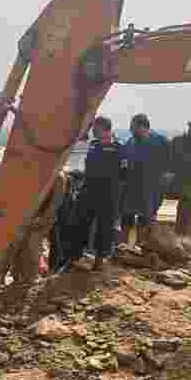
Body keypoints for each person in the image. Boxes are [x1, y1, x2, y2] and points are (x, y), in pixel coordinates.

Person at [81, 116, 128, 270]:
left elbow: (124, 174)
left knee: (105, 227)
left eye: (96, 129)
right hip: (89, 192)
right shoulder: (93, 145)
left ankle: (99, 260)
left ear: (105, 129)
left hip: (109, 194)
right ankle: (80, 255)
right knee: (83, 223)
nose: (93, 131)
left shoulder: (119, 148)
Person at [124, 113, 171, 247]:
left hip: (151, 188)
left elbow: (171, 162)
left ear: (143, 126)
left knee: (145, 219)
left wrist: (167, 177)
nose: (131, 130)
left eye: (133, 127)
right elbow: (123, 159)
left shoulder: (161, 140)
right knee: (127, 217)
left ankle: (140, 247)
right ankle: (124, 247)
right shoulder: (131, 141)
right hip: (132, 187)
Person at [170, 117, 191, 235]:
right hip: (186, 184)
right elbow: (170, 160)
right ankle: (180, 236)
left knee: (184, 210)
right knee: (184, 211)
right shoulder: (178, 141)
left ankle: (181, 235)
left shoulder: (179, 141)